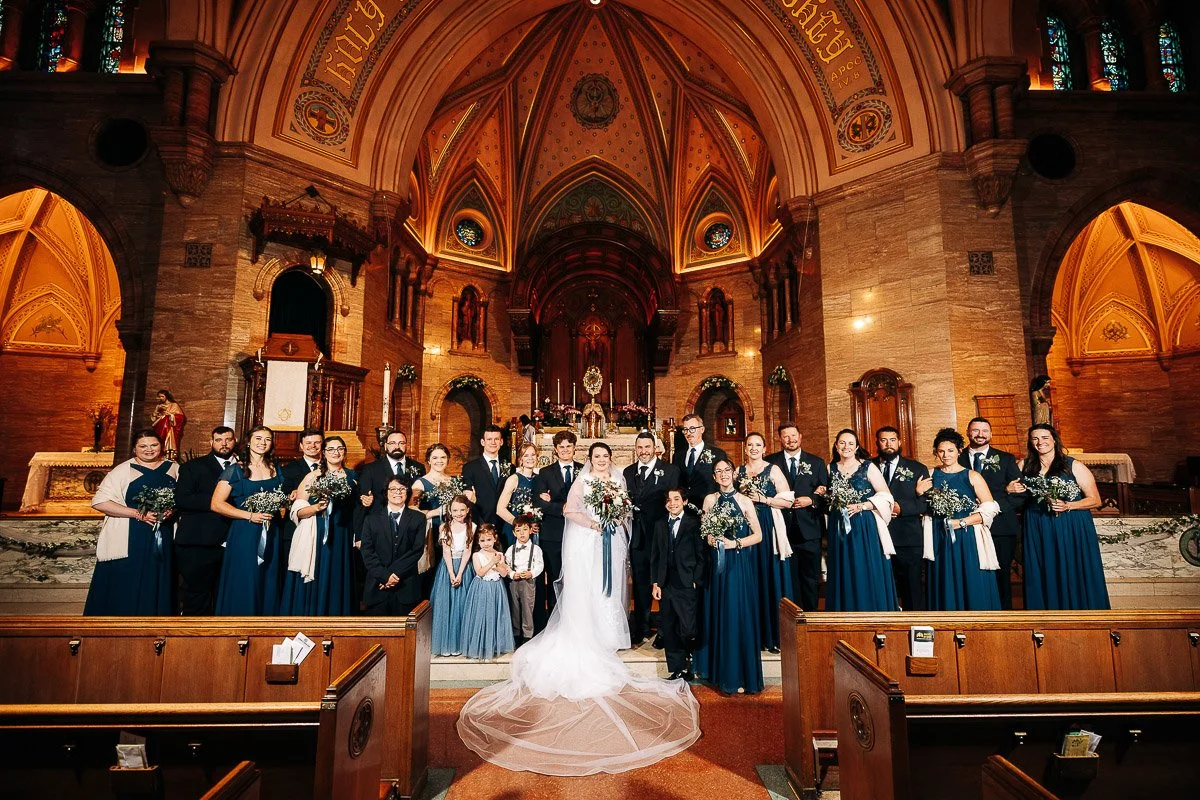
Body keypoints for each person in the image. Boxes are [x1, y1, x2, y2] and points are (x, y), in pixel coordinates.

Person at [457, 441, 701, 776]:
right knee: (587, 587)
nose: (601, 460)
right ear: (590, 459)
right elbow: (570, 511)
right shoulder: (582, 480)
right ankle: (588, 633)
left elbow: (627, 509)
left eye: (605, 456)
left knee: (612, 587)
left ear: (611, 458)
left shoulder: (619, 477)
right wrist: (592, 523)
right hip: (587, 540)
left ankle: (611, 633)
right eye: (597, 456)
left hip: (612, 539)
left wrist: (614, 516)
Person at [1008, 424, 1110, 610]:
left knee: (1071, 567)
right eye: (1035, 439)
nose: (1040, 442)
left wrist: (1068, 505)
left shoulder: (1073, 465)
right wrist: (1009, 489)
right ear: (1030, 442)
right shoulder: (1024, 465)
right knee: (1043, 568)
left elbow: (1095, 500)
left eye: (1045, 437)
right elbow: (1011, 493)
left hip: (1070, 524)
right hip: (1037, 523)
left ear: (1054, 439)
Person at [84, 429, 178, 615]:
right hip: (132, 534)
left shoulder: (174, 467)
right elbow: (99, 502)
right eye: (143, 446)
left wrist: (171, 510)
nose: (149, 449)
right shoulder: (123, 470)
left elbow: (182, 497)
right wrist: (137, 514)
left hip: (162, 533)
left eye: (154, 445)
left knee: (159, 577)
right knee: (130, 579)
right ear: (134, 449)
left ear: (161, 446)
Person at [694, 457, 765, 694]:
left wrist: (735, 543)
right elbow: (705, 532)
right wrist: (711, 539)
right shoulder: (709, 500)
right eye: (718, 471)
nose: (723, 474)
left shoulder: (744, 500)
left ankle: (738, 673)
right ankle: (716, 672)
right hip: (716, 565)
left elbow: (758, 535)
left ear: (734, 474)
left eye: (727, 470)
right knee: (717, 611)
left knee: (736, 611)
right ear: (714, 477)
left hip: (738, 564)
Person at [916, 428, 1001, 611]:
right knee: (943, 577)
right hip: (939, 535)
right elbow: (921, 505)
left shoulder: (972, 476)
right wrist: (918, 492)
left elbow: (990, 509)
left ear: (959, 451)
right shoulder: (930, 474)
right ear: (936, 452)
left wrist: (961, 522)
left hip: (966, 535)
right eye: (941, 451)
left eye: (950, 450)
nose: (946, 455)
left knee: (970, 576)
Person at [212, 426, 285, 616]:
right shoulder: (236, 470)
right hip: (245, 532)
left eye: (267, 439)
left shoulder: (275, 468)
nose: (262, 442)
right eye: (258, 438)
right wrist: (250, 516)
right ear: (249, 441)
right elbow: (216, 504)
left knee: (268, 576)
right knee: (246, 576)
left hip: (272, 531)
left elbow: (281, 497)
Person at [282, 435, 358, 615]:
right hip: (317, 534)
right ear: (323, 453)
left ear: (345, 452)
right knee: (319, 573)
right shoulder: (312, 476)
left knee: (338, 576)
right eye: (331, 449)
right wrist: (316, 507)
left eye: (340, 448)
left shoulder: (352, 477)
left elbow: (356, 509)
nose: (336, 452)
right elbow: (297, 511)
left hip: (342, 533)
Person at [825, 429, 898, 612]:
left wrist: (862, 506)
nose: (846, 447)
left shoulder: (868, 467)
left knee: (864, 568)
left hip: (864, 526)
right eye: (842, 443)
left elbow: (886, 497)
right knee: (843, 569)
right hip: (839, 526)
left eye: (850, 443)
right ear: (836, 446)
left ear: (857, 446)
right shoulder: (830, 469)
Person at [623, 431, 681, 645]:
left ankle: (665, 631)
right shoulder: (628, 472)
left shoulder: (670, 471)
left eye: (647, 447)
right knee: (639, 582)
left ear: (655, 447)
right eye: (640, 447)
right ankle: (642, 626)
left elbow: (674, 502)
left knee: (663, 581)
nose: (644, 451)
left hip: (661, 537)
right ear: (635, 449)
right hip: (637, 536)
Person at [738, 432, 794, 653]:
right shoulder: (738, 472)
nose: (753, 448)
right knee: (750, 577)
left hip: (768, 526)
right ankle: (753, 633)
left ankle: (773, 635)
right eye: (749, 444)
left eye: (758, 445)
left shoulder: (774, 470)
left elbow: (787, 501)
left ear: (764, 448)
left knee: (768, 576)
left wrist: (764, 500)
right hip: (747, 527)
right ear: (745, 448)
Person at [959, 417, 1023, 609]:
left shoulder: (1006, 459)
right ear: (968, 433)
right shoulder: (956, 457)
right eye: (975, 430)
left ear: (991, 434)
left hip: (1001, 526)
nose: (980, 434)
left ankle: (1003, 617)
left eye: (984, 430)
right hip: (966, 525)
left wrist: (992, 507)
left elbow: (1020, 494)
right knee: (969, 572)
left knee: (1001, 573)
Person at [173, 426, 236, 615]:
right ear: (211, 442)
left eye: (228, 439)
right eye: (219, 440)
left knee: (226, 594)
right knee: (197, 595)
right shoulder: (193, 467)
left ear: (235, 442)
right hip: (199, 542)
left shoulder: (246, 467)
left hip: (232, 540)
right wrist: (221, 502)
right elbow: (182, 499)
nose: (224, 444)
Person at [766, 421, 828, 611]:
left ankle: (810, 618)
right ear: (780, 439)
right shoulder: (770, 462)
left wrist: (812, 500)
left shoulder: (816, 463)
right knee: (786, 577)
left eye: (793, 435)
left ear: (800, 437)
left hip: (809, 529)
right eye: (786, 436)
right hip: (781, 529)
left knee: (810, 577)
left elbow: (827, 496)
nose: (790, 439)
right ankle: (788, 618)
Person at [652, 487, 706, 681]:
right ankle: (678, 668)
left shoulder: (694, 524)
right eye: (668, 500)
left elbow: (701, 556)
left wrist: (695, 580)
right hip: (666, 583)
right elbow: (656, 556)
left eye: (676, 499)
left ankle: (692, 659)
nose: (672, 503)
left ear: (684, 501)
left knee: (688, 626)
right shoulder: (659, 525)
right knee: (669, 625)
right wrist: (656, 583)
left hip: (686, 582)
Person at [873, 426, 930, 610]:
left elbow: (926, 503)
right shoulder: (868, 467)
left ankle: (915, 627)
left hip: (908, 538)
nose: (888, 444)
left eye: (892, 440)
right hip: (876, 536)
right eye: (883, 440)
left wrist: (902, 508)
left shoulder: (917, 468)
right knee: (880, 586)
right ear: (877, 443)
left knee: (911, 589)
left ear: (899, 442)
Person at [533, 430, 582, 627]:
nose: (565, 450)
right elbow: (538, 501)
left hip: (579, 533)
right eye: (561, 447)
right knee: (554, 577)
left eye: (568, 446)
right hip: (553, 533)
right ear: (555, 449)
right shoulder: (545, 473)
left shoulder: (583, 470)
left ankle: (575, 621)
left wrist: (554, 500)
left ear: (574, 448)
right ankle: (555, 622)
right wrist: (560, 508)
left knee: (576, 577)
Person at [360, 478, 427, 616]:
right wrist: (384, 576)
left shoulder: (418, 518)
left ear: (407, 493)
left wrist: (393, 575)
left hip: (406, 587)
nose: (398, 492)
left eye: (402, 489)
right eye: (393, 489)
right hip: (377, 587)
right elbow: (367, 552)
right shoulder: (371, 519)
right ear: (386, 493)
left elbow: (417, 550)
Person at [278, 428, 323, 606]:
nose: (313, 446)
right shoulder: (289, 469)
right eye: (308, 443)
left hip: (323, 530)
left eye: (317, 442)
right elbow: (283, 495)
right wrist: (291, 495)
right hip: (297, 528)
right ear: (301, 446)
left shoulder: (330, 466)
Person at [460, 524, 515, 660]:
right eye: (482, 540)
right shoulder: (476, 555)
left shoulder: (499, 555)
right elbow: (480, 572)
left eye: (489, 540)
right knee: (482, 615)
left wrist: (499, 564)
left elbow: (503, 574)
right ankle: (481, 646)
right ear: (478, 541)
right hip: (482, 588)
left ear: (495, 539)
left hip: (496, 588)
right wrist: (492, 563)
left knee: (496, 615)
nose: (486, 543)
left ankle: (494, 645)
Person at [430, 496, 477, 656]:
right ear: (450, 511)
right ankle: (446, 644)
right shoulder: (444, 527)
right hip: (448, 568)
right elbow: (445, 552)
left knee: (462, 605)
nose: (459, 513)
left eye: (462, 510)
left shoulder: (472, 527)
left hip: (464, 568)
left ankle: (461, 644)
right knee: (447, 604)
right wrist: (451, 573)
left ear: (468, 510)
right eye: (455, 510)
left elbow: (468, 552)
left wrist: (460, 573)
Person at [355, 429, 425, 535]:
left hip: (410, 527)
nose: (397, 446)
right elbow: (362, 501)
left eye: (401, 443)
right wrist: (359, 536)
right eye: (392, 443)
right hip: (380, 528)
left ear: (406, 445)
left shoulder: (418, 467)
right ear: (386, 446)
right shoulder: (371, 469)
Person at [412, 443, 456, 598]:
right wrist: (436, 512)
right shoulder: (420, 483)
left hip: (453, 535)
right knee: (432, 574)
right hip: (432, 534)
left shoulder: (453, 481)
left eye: (443, 457)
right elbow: (412, 513)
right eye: (435, 457)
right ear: (428, 460)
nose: (439, 461)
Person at [504, 515, 543, 645]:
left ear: (530, 530)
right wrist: (511, 574)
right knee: (515, 608)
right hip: (514, 582)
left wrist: (531, 573)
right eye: (518, 530)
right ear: (514, 533)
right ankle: (516, 633)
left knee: (527, 608)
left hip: (528, 582)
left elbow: (540, 565)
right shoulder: (510, 550)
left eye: (525, 530)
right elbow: (506, 565)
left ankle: (528, 635)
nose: (522, 533)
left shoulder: (536, 549)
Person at [674, 413, 727, 511]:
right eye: (685, 430)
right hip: (685, 511)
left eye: (692, 428)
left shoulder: (717, 454)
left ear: (702, 429)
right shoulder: (678, 455)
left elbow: (723, 484)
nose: (689, 433)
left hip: (708, 509)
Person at [461, 424, 508, 531]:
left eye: (496, 439)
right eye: (489, 439)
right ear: (483, 442)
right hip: (480, 523)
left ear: (501, 442)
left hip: (505, 525)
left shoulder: (510, 467)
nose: (493, 442)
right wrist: (481, 524)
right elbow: (469, 498)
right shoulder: (470, 468)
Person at [496, 442, 539, 546]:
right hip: (515, 530)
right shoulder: (514, 479)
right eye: (526, 455)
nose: (530, 458)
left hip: (533, 531)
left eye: (533, 455)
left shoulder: (539, 479)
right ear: (520, 459)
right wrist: (518, 525)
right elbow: (500, 509)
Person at [150, 389, 186, 459]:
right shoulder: (159, 406)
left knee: (168, 441)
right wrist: (156, 410)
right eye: (159, 397)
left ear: (166, 396)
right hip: (159, 427)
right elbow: (153, 419)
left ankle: (169, 456)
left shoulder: (174, 405)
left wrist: (169, 415)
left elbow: (180, 417)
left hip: (169, 428)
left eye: (162, 396)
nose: (161, 398)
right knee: (159, 441)